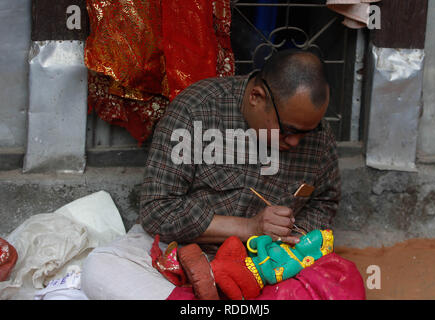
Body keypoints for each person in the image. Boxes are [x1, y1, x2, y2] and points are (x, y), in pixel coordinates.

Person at [81, 49, 341, 300]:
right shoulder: (198, 109)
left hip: (265, 264)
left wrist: (291, 243)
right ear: (256, 96)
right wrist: (251, 227)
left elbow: (324, 201)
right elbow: (157, 211)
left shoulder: (317, 136)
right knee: (101, 268)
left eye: (306, 133)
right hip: (179, 251)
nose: (296, 142)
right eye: (288, 130)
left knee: (340, 281)